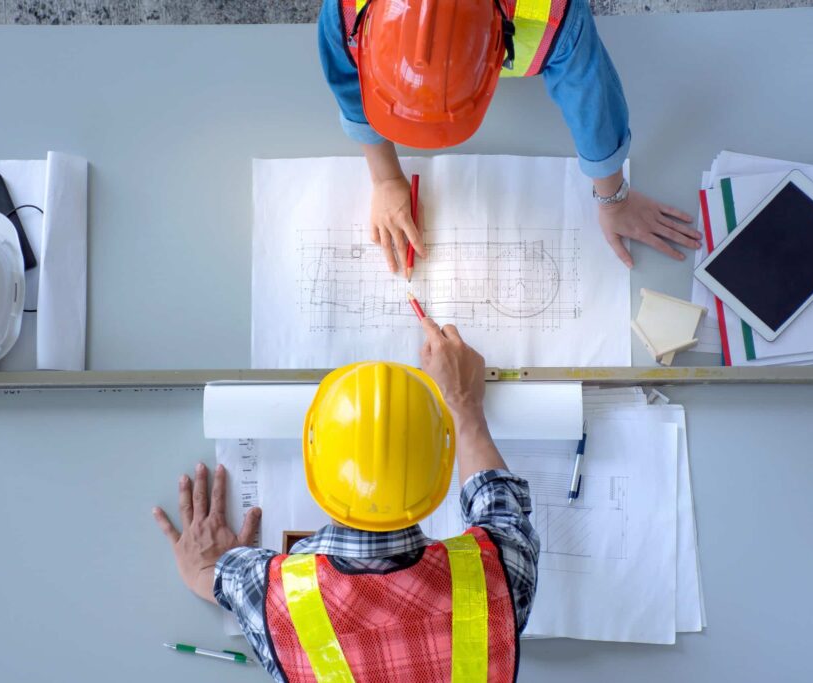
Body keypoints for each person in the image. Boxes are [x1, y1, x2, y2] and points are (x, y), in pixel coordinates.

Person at [152, 318, 540, 682]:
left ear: (313, 461)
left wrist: (205, 561)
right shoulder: (498, 575)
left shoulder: (266, 591)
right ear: (440, 467)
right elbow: (499, 506)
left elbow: (206, 573)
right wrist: (463, 405)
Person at [318, 0, 702, 273]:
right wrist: (384, 178)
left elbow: (592, 99)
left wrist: (614, 199)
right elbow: (350, 88)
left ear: (497, 47)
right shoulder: (345, 13)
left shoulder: (557, 12)